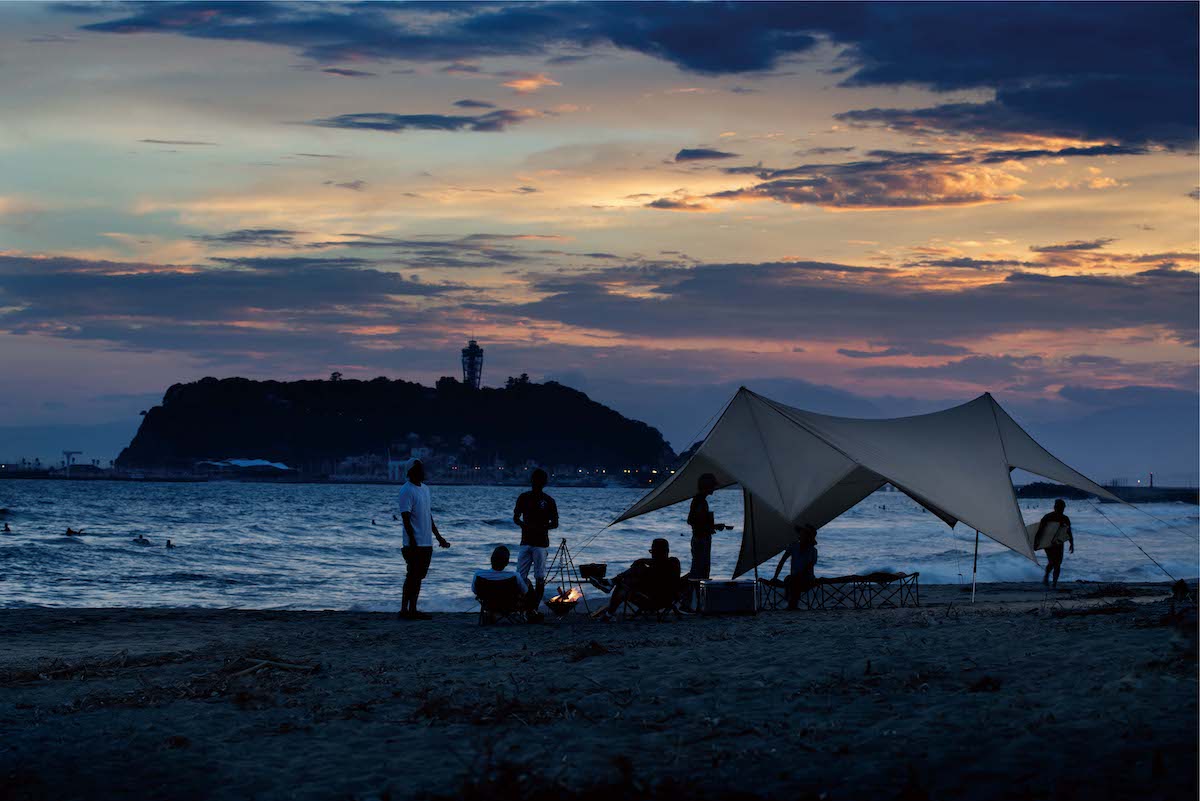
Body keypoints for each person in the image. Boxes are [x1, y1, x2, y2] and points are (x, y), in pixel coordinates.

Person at [397, 458, 450, 620]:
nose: (423, 472)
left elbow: (428, 515)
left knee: (419, 576)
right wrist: (412, 540)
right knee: (412, 575)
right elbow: (405, 517)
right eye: (419, 469)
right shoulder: (406, 490)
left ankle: (413, 608)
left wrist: (439, 537)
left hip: (426, 542)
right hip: (414, 543)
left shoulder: (425, 489)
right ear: (411, 472)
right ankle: (404, 610)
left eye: (422, 469)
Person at [594, 538, 681, 619]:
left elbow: (660, 564)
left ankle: (611, 585)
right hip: (656, 599)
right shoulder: (665, 566)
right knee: (627, 580)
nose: (652, 555)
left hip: (656, 602)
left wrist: (641, 561)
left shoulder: (669, 564)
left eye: (654, 552)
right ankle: (611, 585)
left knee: (629, 579)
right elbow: (658, 564)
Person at [513, 468, 558, 619]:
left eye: (539, 481)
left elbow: (555, 523)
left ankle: (533, 608)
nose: (537, 483)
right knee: (521, 576)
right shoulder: (523, 497)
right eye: (536, 480)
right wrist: (522, 525)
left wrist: (542, 527)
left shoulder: (549, 501)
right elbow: (515, 517)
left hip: (540, 543)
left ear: (543, 483)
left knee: (538, 576)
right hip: (526, 541)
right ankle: (528, 606)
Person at [773, 525, 818, 609]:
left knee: (793, 580)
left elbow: (809, 567)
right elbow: (782, 561)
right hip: (793, 579)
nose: (801, 536)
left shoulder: (813, 550)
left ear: (808, 536)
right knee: (791, 580)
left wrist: (798, 576)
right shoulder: (793, 547)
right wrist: (775, 577)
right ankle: (792, 604)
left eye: (804, 534)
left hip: (807, 580)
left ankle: (792, 605)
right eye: (801, 534)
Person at [1035, 498, 1074, 589]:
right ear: (1055, 507)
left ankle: (1054, 583)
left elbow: (1068, 532)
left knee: (1058, 563)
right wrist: (1037, 542)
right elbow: (1040, 530)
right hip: (1048, 543)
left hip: (1059, 543)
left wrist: (1072, 543)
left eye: (1062, 508)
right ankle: (1047, 576)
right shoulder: (1048, 517)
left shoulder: (1065, 518)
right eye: (1059, 507)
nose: (1061, 509)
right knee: (1052, 562)